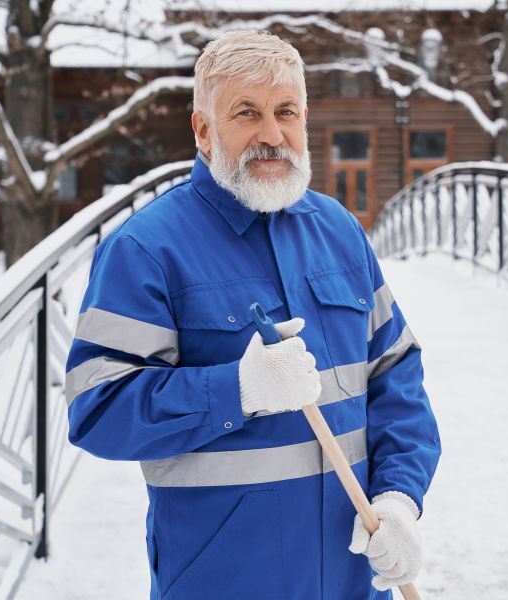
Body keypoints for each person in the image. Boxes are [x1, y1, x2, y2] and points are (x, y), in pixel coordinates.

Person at [65, 29, 441, 600]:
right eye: (247, 113)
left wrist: (398, 499)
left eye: (285, 112)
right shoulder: (146, 249)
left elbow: (395, 374)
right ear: (203, 130)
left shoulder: (339, 231)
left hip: (353, 581)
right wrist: (237, 390)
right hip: (224, 580)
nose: (271, 135)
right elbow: (97, 408)